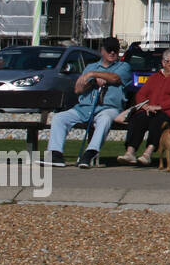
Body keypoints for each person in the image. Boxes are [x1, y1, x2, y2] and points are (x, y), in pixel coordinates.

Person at [44, 37, 132, 169]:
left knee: (105, 119)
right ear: (102, 51)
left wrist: (94, 75)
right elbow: (78, 89)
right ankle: (55, 154)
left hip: (108, 108)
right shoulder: (91, 66)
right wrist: (92, 81)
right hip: (84, 107)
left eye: (115, 50)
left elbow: (114, 78)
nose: (112, 53)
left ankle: (90, 153)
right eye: (109, 50)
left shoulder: (123, 66)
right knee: (59, 118)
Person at [113, 48, 170, 165]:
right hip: (150, 110)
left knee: (158, 121)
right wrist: (145, 105)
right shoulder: (155, 77)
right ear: (163, 63)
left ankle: (148, 153)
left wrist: (160, 106)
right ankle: (130, 152)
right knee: (138, 118)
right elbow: (141, 94)